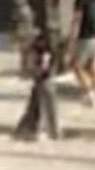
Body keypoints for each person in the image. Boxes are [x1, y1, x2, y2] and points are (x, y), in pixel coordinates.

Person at [13, 8, 61, 140]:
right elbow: (28, 55)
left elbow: (44, 55)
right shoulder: (32, 38)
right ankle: (29, 128)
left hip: (44, 75)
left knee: (44, 101)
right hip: (41, 74)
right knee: (39, 102)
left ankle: (41, 130)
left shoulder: (39, 39)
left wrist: (40, 69)